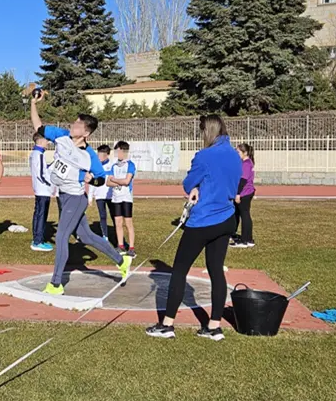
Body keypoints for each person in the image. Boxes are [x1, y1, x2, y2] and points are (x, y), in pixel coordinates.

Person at [146, 115, 241, 341]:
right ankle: (214, 326)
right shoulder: (235, 155)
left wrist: (195, 187)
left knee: (179, 270)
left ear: (205, 131)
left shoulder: (204, 156)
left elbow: (189, 183)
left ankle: (167, 323)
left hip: (204, 219)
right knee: (216, 271)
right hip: (227, 217)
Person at [30, 93, 130, 295]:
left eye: (78, 125)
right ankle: (121, 260)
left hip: (76, 199)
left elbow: (101, 178)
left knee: (62, 237)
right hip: (62, 196)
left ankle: (56, 284)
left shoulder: (89, 156)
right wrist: (33, 103)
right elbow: (38, 127)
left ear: (86, 133)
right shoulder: (61, 136)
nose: (73, 125)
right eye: (74, 122)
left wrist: (89, 179)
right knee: (85, 236)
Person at [107, 141, 137, 257]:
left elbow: (126, 181)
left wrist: (115, 180)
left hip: (126, 198)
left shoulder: (130, 165)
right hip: (116, 198)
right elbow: (108, 182)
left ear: (123, 151)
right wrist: (116, 182)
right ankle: (120, 246)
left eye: (118, 151)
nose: (116, 154)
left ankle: (132, 248)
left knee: (128, 223)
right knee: (118, 222)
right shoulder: (114, 166)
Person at [30, 129, 55, 252]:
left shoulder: (36, 154)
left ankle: (36, 238)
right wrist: (49, 184)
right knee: (41, 215)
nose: (48, 143)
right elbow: (40, 173)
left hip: (40, 189)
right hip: (43, 190)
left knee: (38, 214)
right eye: (47, 140)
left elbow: (43, 169)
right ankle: (38, 241)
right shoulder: (38, 155)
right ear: (41, 140)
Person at [231, 143, 256, 248]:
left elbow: (243, 180)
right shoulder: (245, 163)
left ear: (245, 153)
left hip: (244, 193)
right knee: (240, 214)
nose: (236, 154)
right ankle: (247, 238)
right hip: (245, 192)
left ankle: (245, 240)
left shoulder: (246, 164)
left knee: (244, 215)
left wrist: (237, 194)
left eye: (238, 152)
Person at [88, 144, 114, 244]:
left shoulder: (112, 165)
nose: (99, 156)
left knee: (114, 215)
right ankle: (105, 236)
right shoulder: (95, 167)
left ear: (107, 155)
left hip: (110, 195)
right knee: (102, 215)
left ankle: (116, 234)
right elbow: (92, 183)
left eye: (101, 154)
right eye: (98, 154)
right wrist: (90, 197)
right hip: (99, 196)